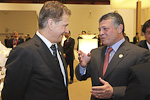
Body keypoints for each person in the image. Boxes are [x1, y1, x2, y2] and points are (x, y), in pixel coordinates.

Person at [2, 1, 71, 100]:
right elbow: (10, 96)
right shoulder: (24, 52)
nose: (67, 30)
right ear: (51, 24)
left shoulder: (57, 48)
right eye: (65, 25)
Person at [75, 12, 150, 100]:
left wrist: (114, 92)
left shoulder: (139, 54)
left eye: (105, 29)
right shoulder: (95, 52)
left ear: (119, 28)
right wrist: (82, 66)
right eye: (99, 29)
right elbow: (81, 77)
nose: (100, 33)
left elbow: (144, 88)